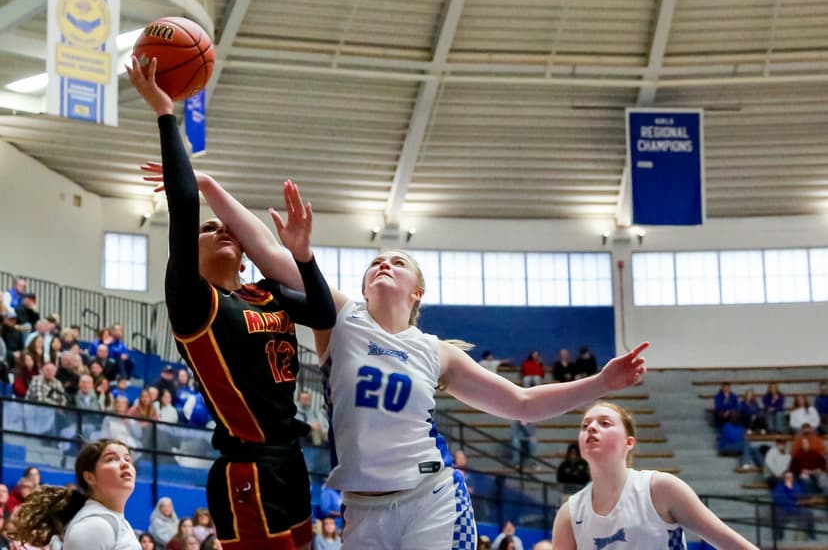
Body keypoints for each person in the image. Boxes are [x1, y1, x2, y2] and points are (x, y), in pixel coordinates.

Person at [160, 124, 649, 550]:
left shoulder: (436, 352)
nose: (383, 264)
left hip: (429, 497)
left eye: (397, 262)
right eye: (375, 261)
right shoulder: (342, 319)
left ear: (417, 292)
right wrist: (208, 185)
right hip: (363, 509)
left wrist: (601, 383)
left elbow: (522, 403)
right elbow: (267, 251)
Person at [127, 55, 337, 550]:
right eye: (208, 228)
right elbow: (182, 207)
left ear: (245, 255)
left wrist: (301, 255)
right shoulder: (194, 304)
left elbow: (324, 313)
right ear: (187, 254)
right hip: (246, 466)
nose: (220, 229)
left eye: (229, 230)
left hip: (291, 460)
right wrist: (164, 112)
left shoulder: (266, 293)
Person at [551, 402, 758, 549]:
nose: (592, 428)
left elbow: (733, 545)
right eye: (585, 426)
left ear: (629, 442)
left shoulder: (660, 488)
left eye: (605, 423)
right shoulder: (569, 513)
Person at [7, 439, 140, 549]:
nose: (125, 464)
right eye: (111, 459)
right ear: (90, 477)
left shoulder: (116, 522)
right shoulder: (95, 525)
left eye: (128, 459)